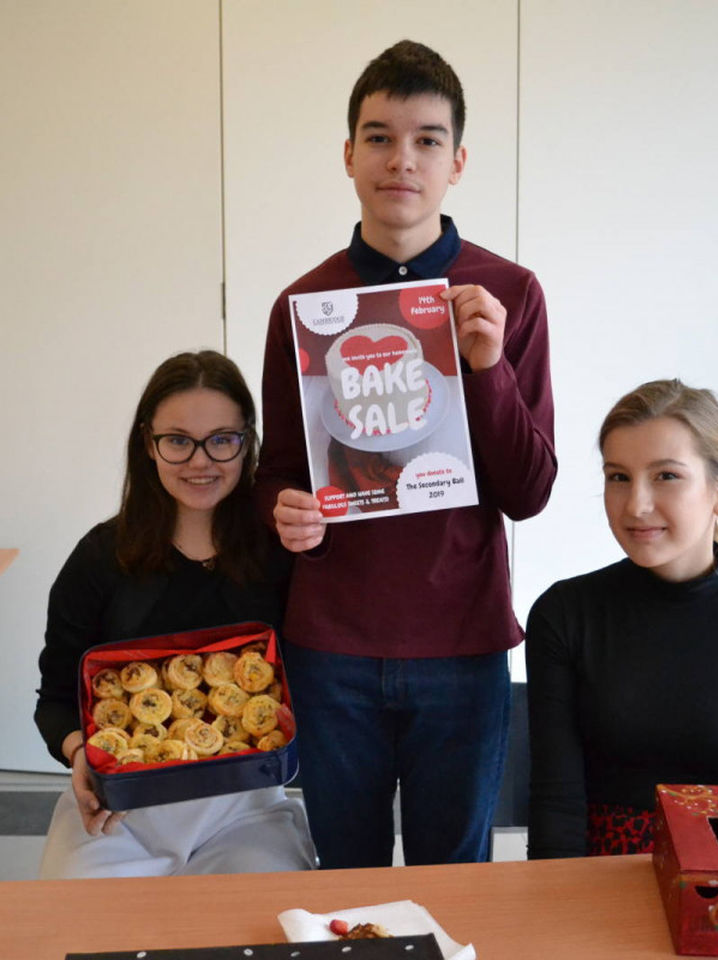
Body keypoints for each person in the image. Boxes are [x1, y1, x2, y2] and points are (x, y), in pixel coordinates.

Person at [255, 40, 557, 868]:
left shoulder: (510, 294)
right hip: (332, 648)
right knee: (343, 878)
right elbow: (277, 471)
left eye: (427, 139)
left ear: (457, 161)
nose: (402, 159)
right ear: (349, 154)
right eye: (380, 136)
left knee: (454, 879)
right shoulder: (304, 305)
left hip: (462, 643)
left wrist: (488, 370)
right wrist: (283, 513)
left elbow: (530, 491)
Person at [34, 350, 316, 878]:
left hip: (246, 808)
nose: (200, 461)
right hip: (120, 808)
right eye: (178, 440)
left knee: (265, 924)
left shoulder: (281, 551)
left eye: (222, 440)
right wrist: (81, 757)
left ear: (246, 442)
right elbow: (54, 699)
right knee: (78, 932)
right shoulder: (99, 558)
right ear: (148, 444)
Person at [525, 378, 718, 859]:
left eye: (665, 476)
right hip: (594, 881)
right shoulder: (563, 614)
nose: (636, 505)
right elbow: (556, 811)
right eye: (618, 476)